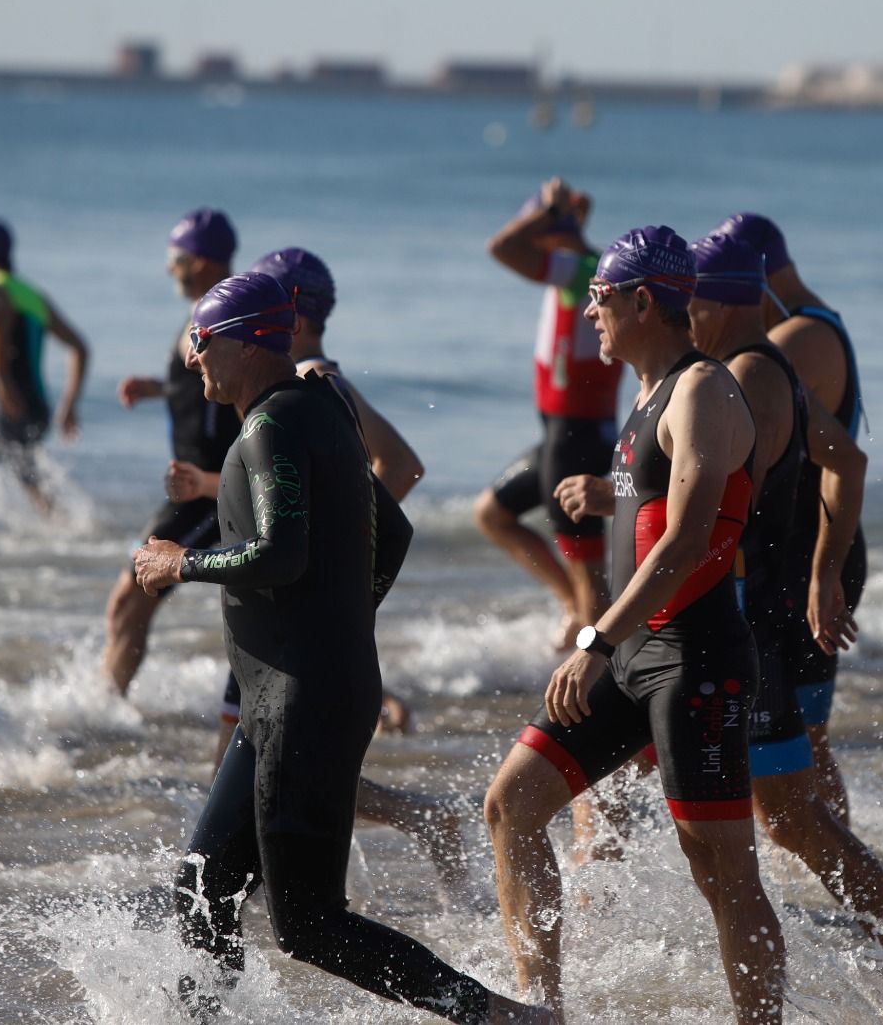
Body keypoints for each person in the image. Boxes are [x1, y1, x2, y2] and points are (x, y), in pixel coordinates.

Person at [130, 272, 549, 1025]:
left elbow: (278, 555)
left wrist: (179, 564)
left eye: (200, 340)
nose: (191, 357)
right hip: (293, 696)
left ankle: (498, 1016)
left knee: (310, 923)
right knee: (203, 890)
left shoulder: (269, 427)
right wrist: (342, 629)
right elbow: (394, 535)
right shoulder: (318, 407)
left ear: (248, 339)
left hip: (300, 702)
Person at [485, 226, 785, 1024]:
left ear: (644, 301)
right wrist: (610, 494)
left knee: (722, 872)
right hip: (635, 650)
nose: (589, 314)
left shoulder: (703, 390)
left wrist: (594, 640)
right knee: (511, 805)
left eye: (602, 299)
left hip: (695, 656)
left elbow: (690, 540)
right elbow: (671, 504)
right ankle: (537, 1007)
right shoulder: (648, 398)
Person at [169, 246, 463, 895]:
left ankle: (247, 894)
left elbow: (378, 484)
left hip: (283, 611)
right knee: (255, 774)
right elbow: (350, 494)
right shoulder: (308, 389)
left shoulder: (308, 386)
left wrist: (337, 593)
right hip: (284, 612)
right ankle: (234, 896)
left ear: (289, 313)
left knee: (259, 774)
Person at [684, 231, 883, 965]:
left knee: (788, 809)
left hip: (747, 614)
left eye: (686, 301)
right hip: (766, 603)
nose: (681, 315)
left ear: (715, 301)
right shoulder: (766, 364)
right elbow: (845, 458)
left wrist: (822, 575)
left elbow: (720, 504)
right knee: (787, 806)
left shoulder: (752, 375)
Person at [713, 211, 861, 824]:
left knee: (798, 758)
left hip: (809, 556)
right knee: (800, 753)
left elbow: (843, 462)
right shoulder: (819, 322)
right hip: (814, 551)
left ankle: (832, 862)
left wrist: (823, 577)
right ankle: (829, 861)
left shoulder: (787, 344)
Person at [102, 209, 242, 696]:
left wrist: (216, 482)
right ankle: (107, 706)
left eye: (175, 258)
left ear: (201, 261)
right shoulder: (212, 311)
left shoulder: (221, 317)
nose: (169, 269)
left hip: (207, 492)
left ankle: (105, 712)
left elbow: (244, 389)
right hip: (194, 490)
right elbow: (210, 384)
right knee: (129, 597)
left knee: (131, 598)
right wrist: (162, 388)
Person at [478, 179, 617, 650]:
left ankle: (598, 684)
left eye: (537, 227)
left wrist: (554, 213)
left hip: (577, 437)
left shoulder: (585, 271)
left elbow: (502, 247)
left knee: (593, 585)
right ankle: (573, 608)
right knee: (492, 514)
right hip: (561, 435)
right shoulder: (578, 270)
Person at [0, 218, 88, 512]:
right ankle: (65, 527)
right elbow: (80, 348)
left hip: (14, 404)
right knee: (28, 476)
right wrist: (69, 405)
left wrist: (1, 382)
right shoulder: (32, 295)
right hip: (38, 406)